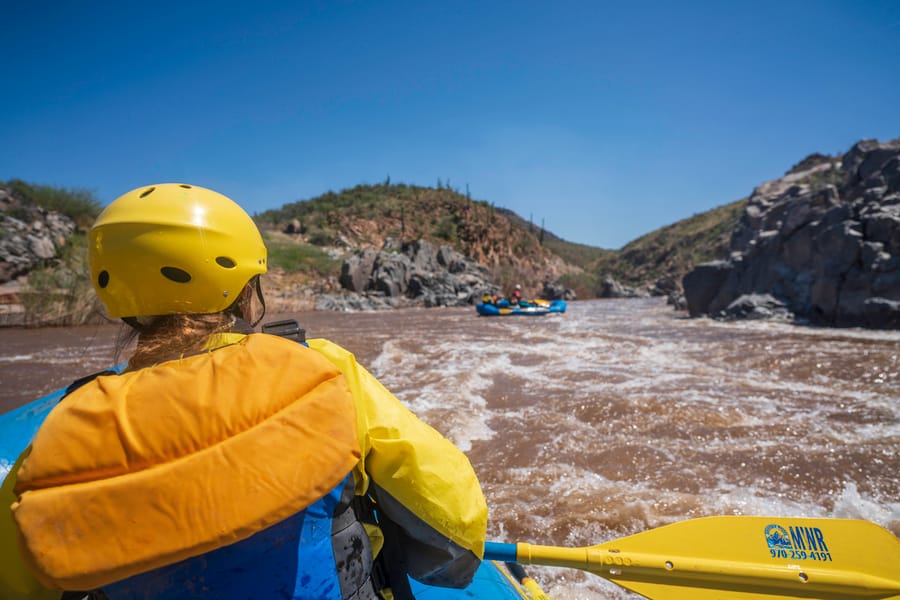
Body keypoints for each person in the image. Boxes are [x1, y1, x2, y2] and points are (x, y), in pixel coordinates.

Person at [0, 184, 487, 600]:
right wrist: (434, 568)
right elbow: (456, 526)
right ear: (245, 289)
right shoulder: (322, 369)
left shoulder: (65, 430)